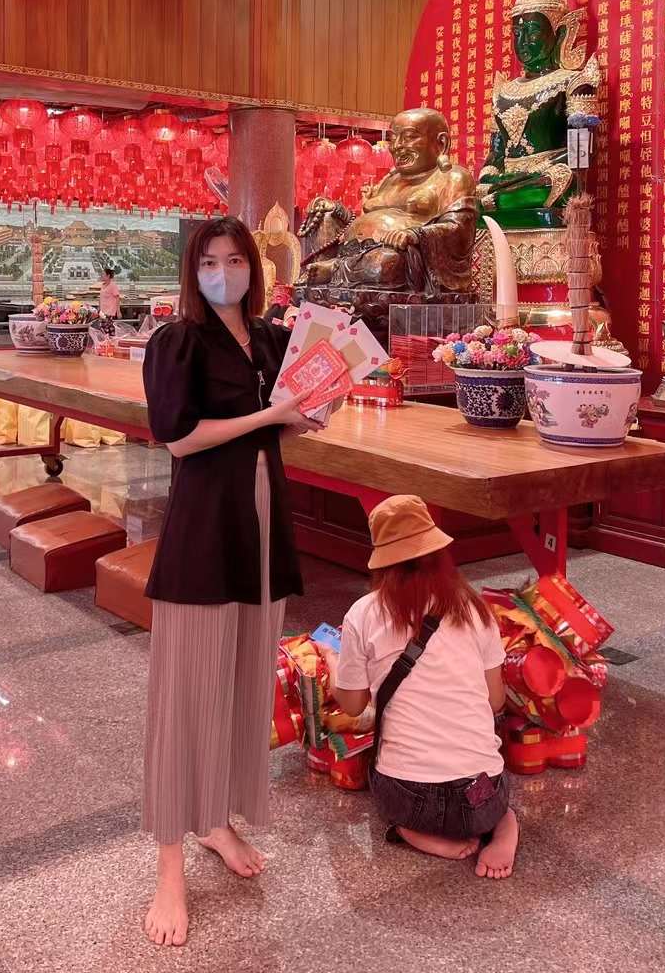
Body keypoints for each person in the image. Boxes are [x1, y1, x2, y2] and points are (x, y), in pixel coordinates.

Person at [141, 215, 318, 948]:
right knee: (186, 695)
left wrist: (304, 415)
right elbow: (179, 437)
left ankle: (215, 820)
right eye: (210, 262)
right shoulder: (177, 341)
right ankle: (169, 870)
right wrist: (270, 413)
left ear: (255, 266)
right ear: (195, 270)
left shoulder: (272, 339)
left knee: (244, 683)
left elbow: (278, 424)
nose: (224, 272)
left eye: (236, 259)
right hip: (205, 530)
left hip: (264, 526)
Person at [331, 495, 519, 878]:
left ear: (382, 562)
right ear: (439, 553)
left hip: (410, 797)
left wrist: (336, 670)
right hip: (480, 797)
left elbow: (352, 706)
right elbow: (496, 700)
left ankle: (409, 830)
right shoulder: (473, 608)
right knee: (498, 796)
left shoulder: (363, 614)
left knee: (379, 778)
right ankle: (502, 826)